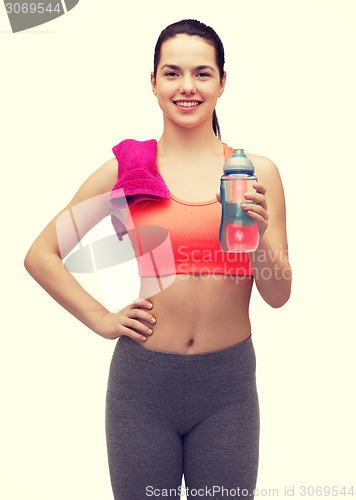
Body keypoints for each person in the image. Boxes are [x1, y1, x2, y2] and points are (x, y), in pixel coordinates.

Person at [24, 18, 292, 500]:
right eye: (172, 73)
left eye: (202, 73)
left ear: (222, 82)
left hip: (227, 388)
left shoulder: (255, 173)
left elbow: (278, 295)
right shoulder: (127, 170)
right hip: (142, 388)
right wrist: (103, 319)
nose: (187, 87)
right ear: (153, 82)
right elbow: (42, 255)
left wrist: (263, 233)